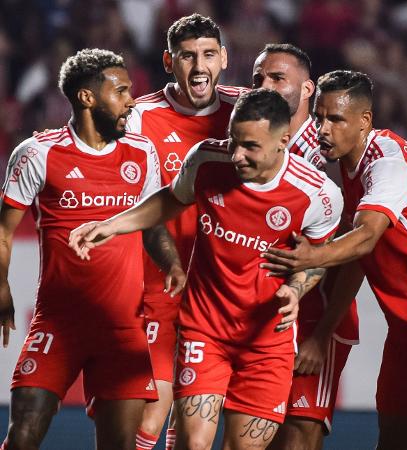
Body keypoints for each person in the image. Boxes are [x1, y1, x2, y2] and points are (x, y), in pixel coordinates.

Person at [69, 89, 344, 450]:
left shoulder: (318, 195)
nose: (236, 154)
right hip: (205, 331)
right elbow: (171, 198)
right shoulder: (206, 160)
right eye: (233, 141)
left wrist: (295, 289)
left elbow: (317, 258)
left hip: (267, 344)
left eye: (250, 146)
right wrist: (115, 225)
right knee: (193, 444)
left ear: (284, 141)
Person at [261, 70, 407, 450]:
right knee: (394, 439)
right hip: (405, 330)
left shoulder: (388, 163)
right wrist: (320, 335)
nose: (322, 129)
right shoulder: (350, 170)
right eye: (318, 117)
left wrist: (312, 254)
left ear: (364, 121)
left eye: (335, 119)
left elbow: (364, 238)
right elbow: (355, 260)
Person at [0, 48, 163, 450]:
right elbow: (3, 232)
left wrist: (172, 265)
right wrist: (3, 291)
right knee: (23, 433)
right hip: (58, 322)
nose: (131, 99)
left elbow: (153, 225)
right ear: (87, 98)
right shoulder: (37, 153)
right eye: (121, 90)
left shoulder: (143, 153)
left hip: (122, 328)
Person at [125, 13, 247, 450]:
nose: (199, 66)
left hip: (221, 289)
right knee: (153, 408)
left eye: (209, 54)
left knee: (196, 415)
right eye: (188, 56)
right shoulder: (140, 116)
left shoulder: (245, 114)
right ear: (168, 62)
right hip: (158, 282)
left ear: (224, 59)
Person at [252, 43, 359, 450]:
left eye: (278, 78)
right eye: (258, 79)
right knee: (251, 433)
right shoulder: (250, 148)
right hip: (259, 315)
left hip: (315, 318)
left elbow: (355, 247)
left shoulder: (332, 150)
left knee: (297, 435)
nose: (265, 86)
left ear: (308, 88)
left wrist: (321, 334)